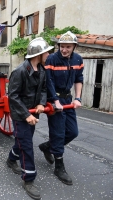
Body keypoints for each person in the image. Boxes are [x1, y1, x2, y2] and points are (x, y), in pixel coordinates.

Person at [7, 37, 53, 200]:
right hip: (21, 115)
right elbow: (12, 96)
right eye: (46, 51)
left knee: (22, 141)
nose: (48, 54)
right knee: (26, 145)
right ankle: (29, 179)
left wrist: (41, 104)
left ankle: (11, 159)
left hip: (33, 114)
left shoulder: (42, 70)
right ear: (38, 54)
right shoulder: (19, 71)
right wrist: (26, 115)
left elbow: (44, 90)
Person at [39, 31, 84, 186]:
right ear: (58, 46)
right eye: (62, 46)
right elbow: (49, 81)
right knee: (58, 133)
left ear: (74, 46)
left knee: (72, 132)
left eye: (68, 47)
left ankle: (47, 146)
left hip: (68, 99)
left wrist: (78, 98)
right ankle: (59, 167)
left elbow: (79, 79)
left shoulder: (78, 59)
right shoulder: (52, 59)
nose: (64, 50)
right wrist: (55, 100)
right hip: (54, 99)